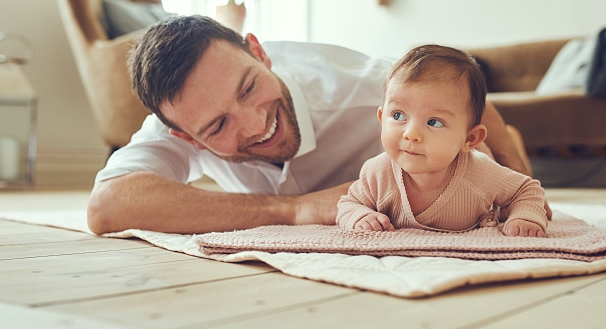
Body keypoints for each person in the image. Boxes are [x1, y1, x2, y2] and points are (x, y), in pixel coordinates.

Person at [87, 15, 535, 235]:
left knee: (484, 162)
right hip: (376, 196)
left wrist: (519, 173)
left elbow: (461, 99)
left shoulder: (361, 86)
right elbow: (107, 205)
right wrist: (290, 209)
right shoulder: (180, 120)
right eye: (219, 125)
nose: (256, 122)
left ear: (259, 53)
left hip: (441, 162)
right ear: (185, 136)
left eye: (248, 87)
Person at [336, 44, 549, 237]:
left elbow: (527, 190)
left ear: (470, 138)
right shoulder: (378, 172)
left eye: (434, 122)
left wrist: (525, 216)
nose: (410, 134)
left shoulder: (482, 173)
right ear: (382, 118)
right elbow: (349, 203)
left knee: (493, 164)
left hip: (479, 156)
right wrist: (359, 216)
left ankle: (508, 139)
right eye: (399, 116)